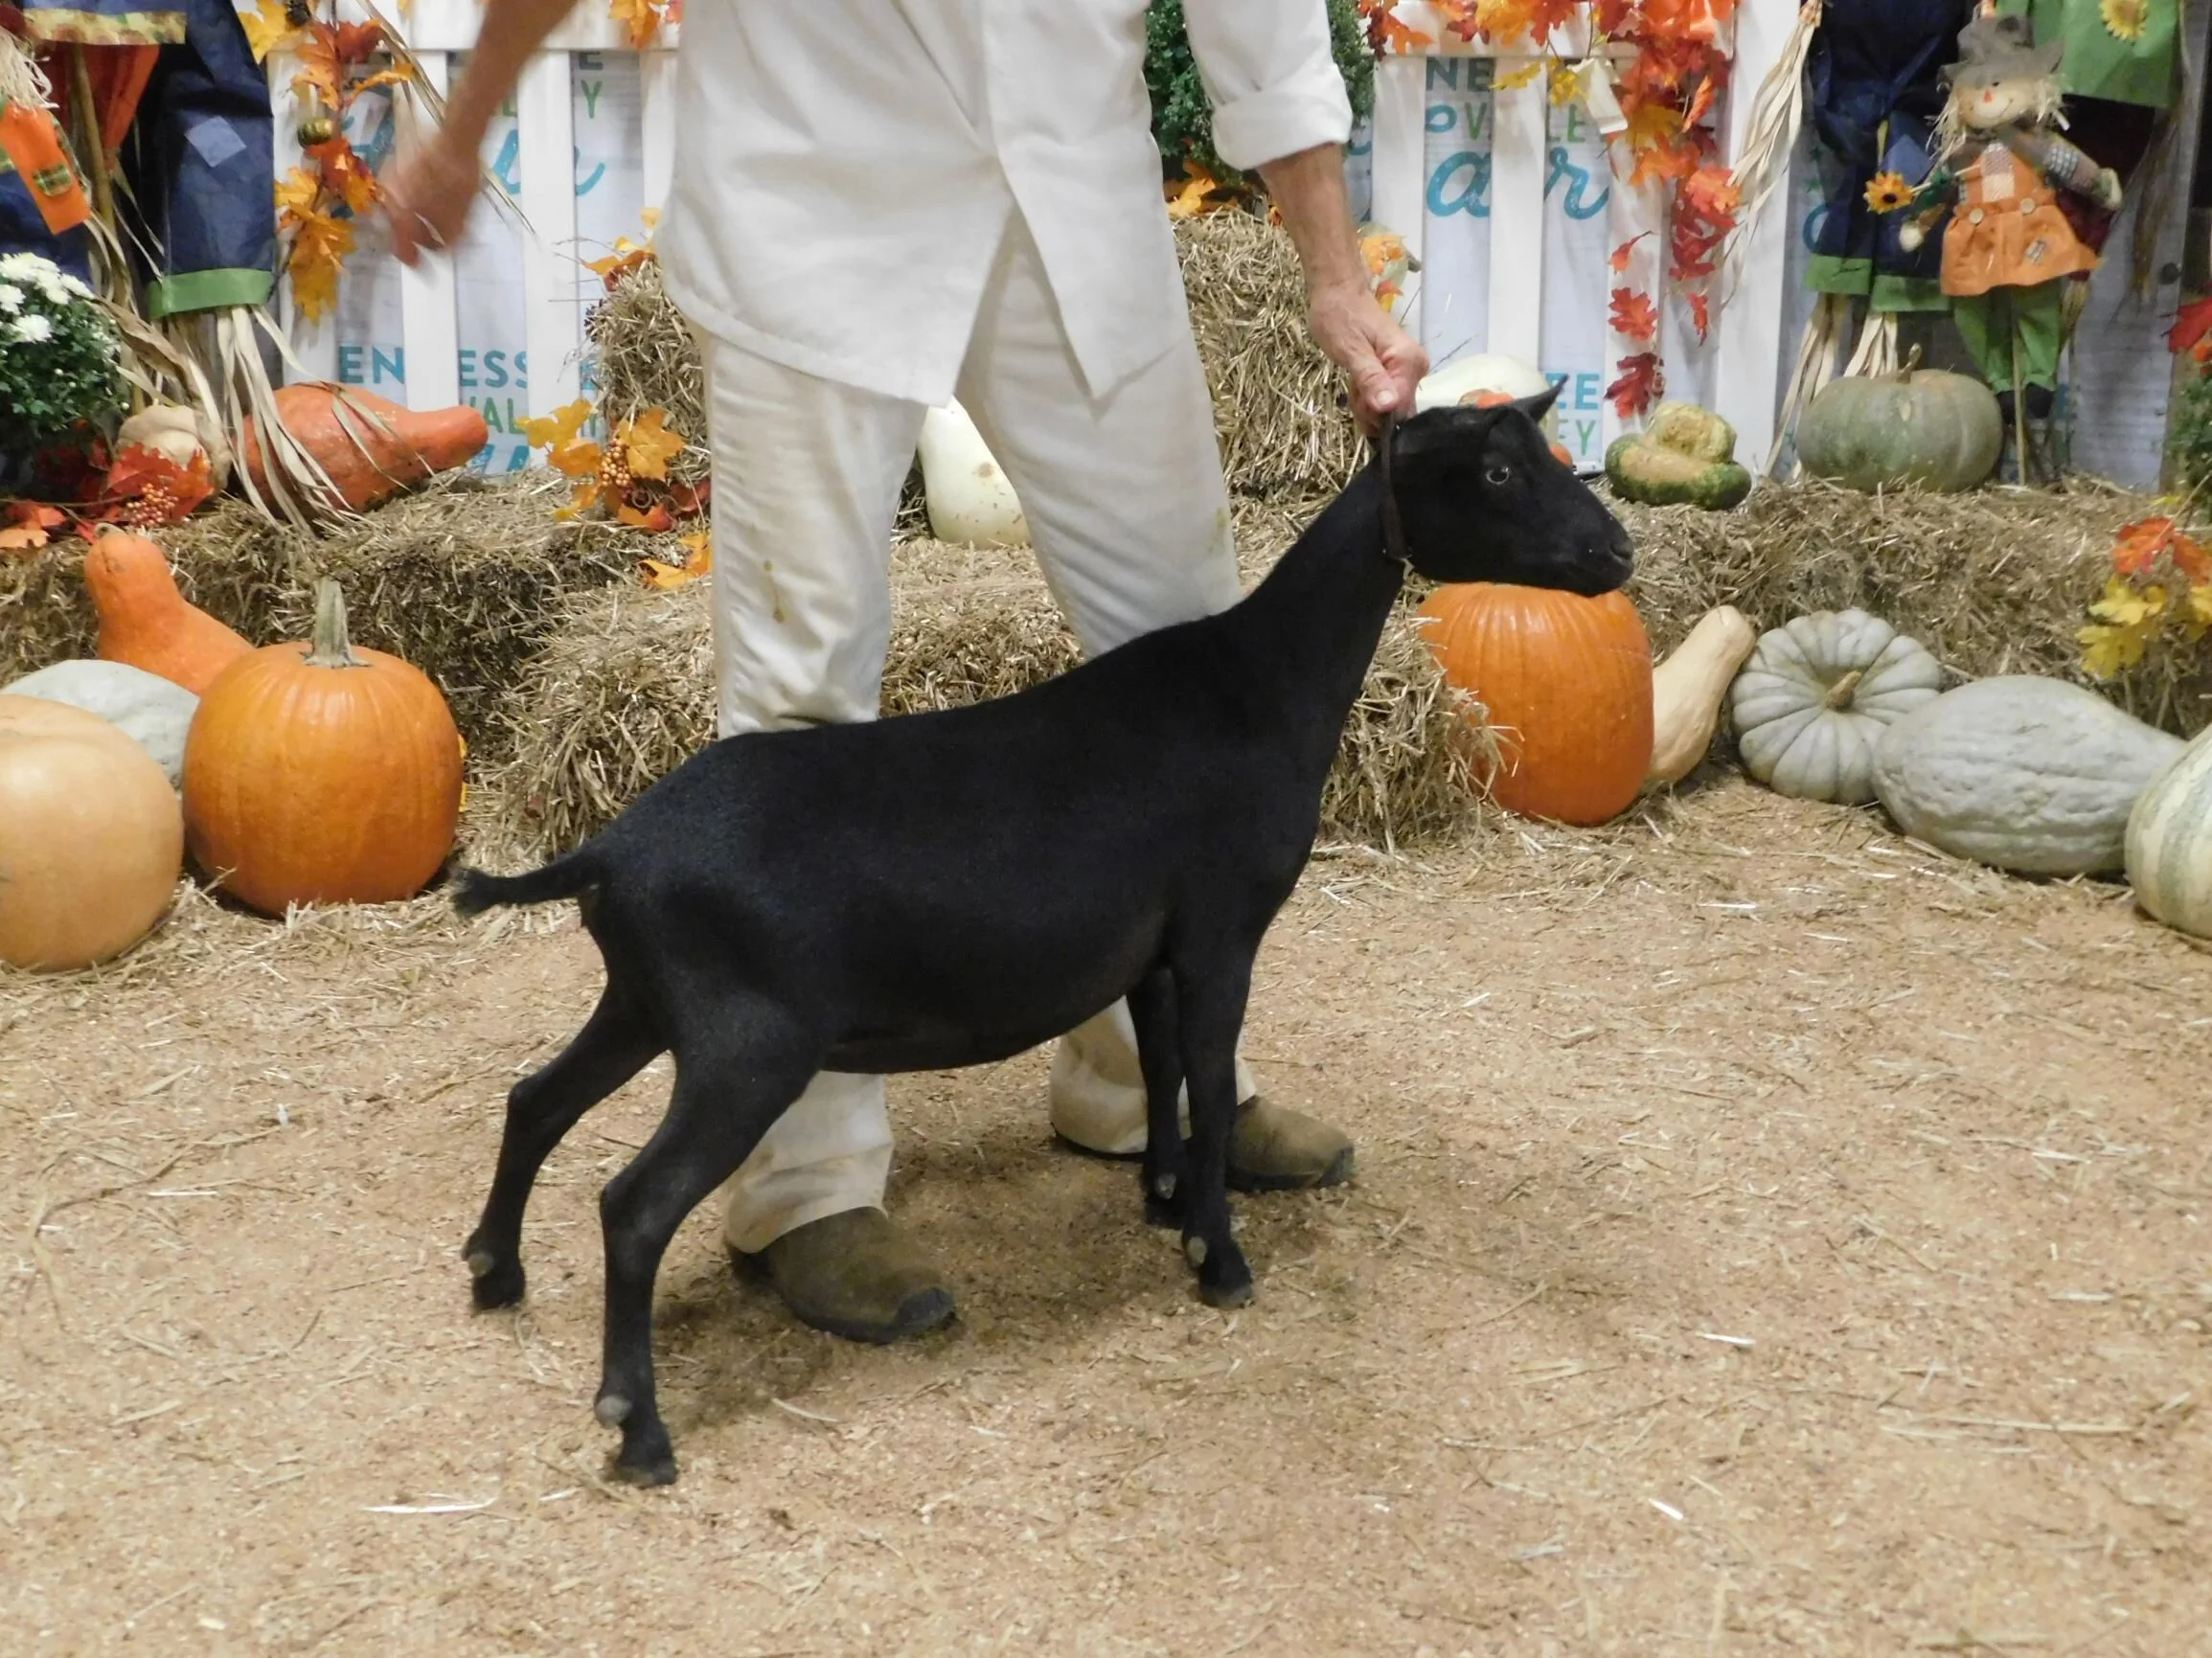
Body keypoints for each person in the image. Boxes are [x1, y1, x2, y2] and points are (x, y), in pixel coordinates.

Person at [386, 0, 1428, 1345]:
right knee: (802, 690)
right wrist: (466, 129)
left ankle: (1141, 1076)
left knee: (1185, 640)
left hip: (1069, 197)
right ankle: (802, 1182)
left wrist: (1335, 269)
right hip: (813, 195)